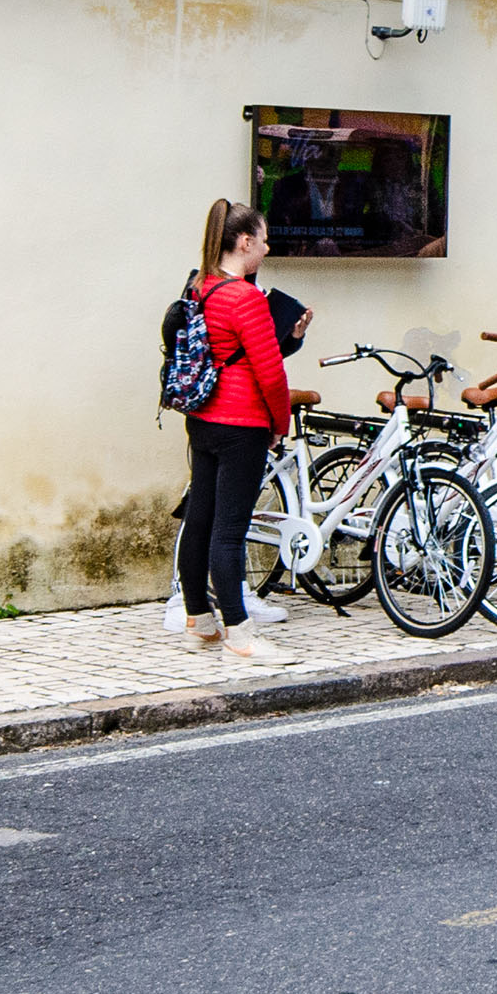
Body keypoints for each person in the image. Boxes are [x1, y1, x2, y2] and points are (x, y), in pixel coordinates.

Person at [175, 199, 293, 664]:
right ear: (244, 242)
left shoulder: (202, 288)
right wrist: (278, 424)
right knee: (230, 532)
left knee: (198, 521)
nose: (265, 249)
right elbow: (270, 374)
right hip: (241, 423)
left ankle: (199, 622)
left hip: (202, 419)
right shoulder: (245, 298)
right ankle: (240, 634)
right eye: (262, 241)